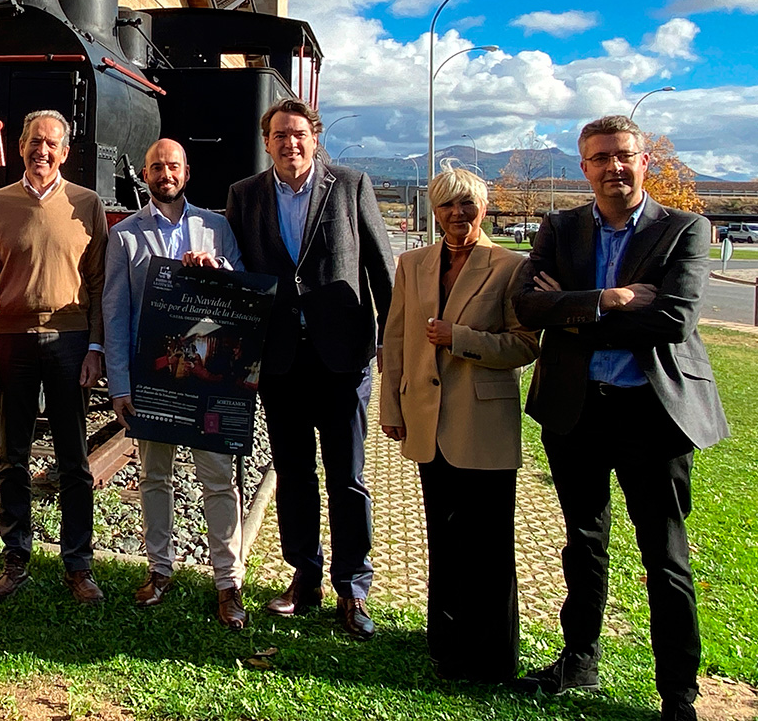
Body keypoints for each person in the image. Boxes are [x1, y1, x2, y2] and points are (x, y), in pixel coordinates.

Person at [513, 115, 729, 721]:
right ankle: (579, 661)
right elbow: (528, 304)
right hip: (574, 411)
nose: (614, 166)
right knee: (582, 544)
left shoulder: (686, 228)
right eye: (600, 157)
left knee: (664, 555)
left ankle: (678, 693)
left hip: (652, 413)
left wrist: (571, 310)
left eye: (624, 154)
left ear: (644, 160)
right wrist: (608, 299)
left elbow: (672, 321)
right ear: (584, 167)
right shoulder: (559, 227)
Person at [225, 96, 393, 639]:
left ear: (315, 137)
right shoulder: (244, 196)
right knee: (294, 475)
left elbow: (381, 270)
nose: (290, 143)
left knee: (348, 479)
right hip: (279, 362)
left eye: (299, 133)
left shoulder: (350, 185)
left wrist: (392, 346)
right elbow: (237, 270)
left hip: (342, 359)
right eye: (279, 135)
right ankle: (306, 578)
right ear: (266, 140)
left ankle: (354, 588)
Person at [379, 165, 540, 680]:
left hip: (483, 425)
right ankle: (445, 643)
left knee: (489, 545)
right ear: (434, 210)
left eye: (466, 204)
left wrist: (461, 338)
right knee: (443, 540)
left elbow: (525, 345)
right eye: (447, 205)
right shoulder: (412, 263)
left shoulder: (511, 266)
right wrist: (392, 408)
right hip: (427, 423)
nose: (457, 214)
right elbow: (397, 340)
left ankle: (492, 657)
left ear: (483, 209)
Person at [103, 139, 248, 628]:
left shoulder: (218, 227)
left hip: (209, 378)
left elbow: (244, 294)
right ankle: (159, 571)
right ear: (143, 174)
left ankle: (229, 583)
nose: (165, 173)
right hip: (157, 379)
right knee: (155, 478)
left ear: (187, 172)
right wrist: (119, 385)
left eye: (173, 166)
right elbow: (115, 312)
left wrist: (220, 271)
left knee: (218, 481)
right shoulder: (125, 235)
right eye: (156, 167)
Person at [0, 109, 108, 604]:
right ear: (22, 144)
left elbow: (97, 281)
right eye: (34, 141)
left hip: (70, 340)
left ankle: (78, 563)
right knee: (12, 456)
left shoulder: (86, 205)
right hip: (11, 341)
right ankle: (16, 558)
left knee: (73, 459)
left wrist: (95, 347)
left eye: (51, 143)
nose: (42, 151)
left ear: (65, 152)